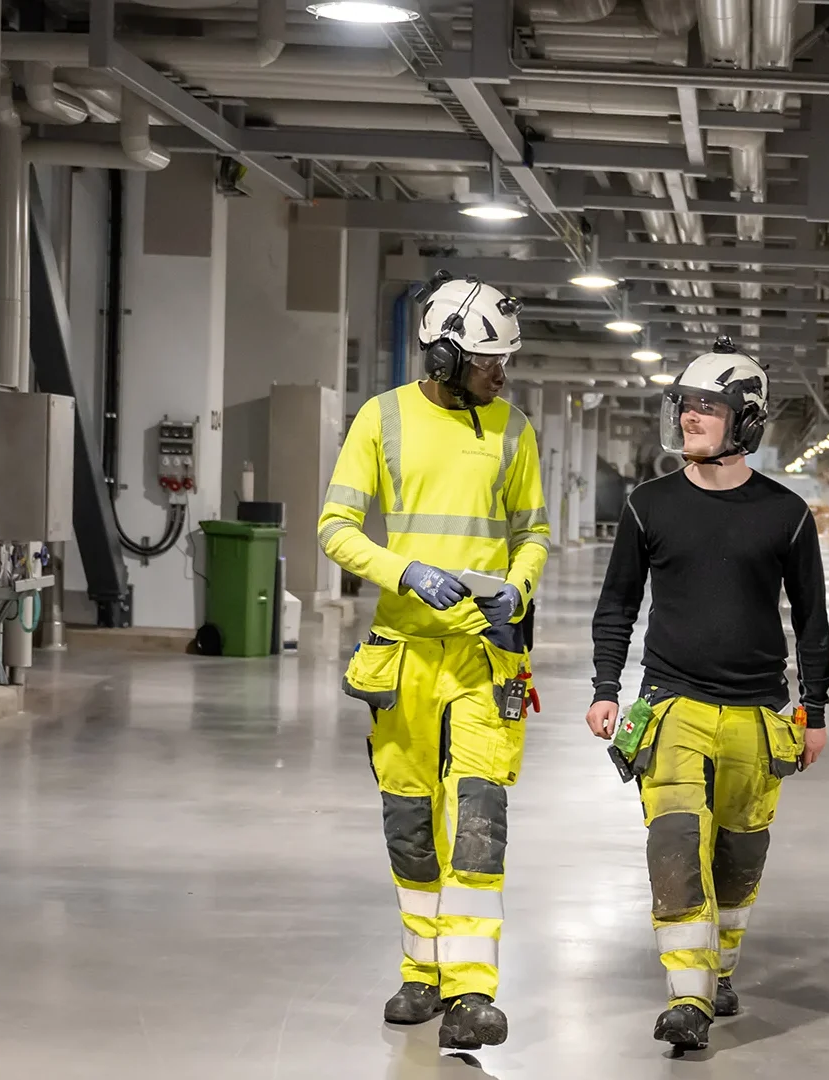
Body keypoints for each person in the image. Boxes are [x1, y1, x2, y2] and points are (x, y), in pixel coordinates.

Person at [317, 274, 550, 1051]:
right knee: (410, 821)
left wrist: (517, 589)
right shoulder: (381, 419)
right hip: (404, 657)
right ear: (444, 356)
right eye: (488, 362)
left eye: (505, 362)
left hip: (486, 658)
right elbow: (335, 527)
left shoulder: (514, 429)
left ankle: (473, 992)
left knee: (479, 819)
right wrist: (405, 572)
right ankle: (422, 975)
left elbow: (534, 534)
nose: (501, 375)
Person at [586, 339, 829, 1053]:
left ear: (745, 421)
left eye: (708, 407)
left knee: (738, 854)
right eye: (686, 404)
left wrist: (815, 711)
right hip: (671, 703)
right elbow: (618, 604)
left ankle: (719, 967)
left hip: (759, 712)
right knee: (673, 841)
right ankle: (688, 996)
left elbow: (811, 621)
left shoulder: (786, 514)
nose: (691, 417)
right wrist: (606, 687)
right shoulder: (648, 505)